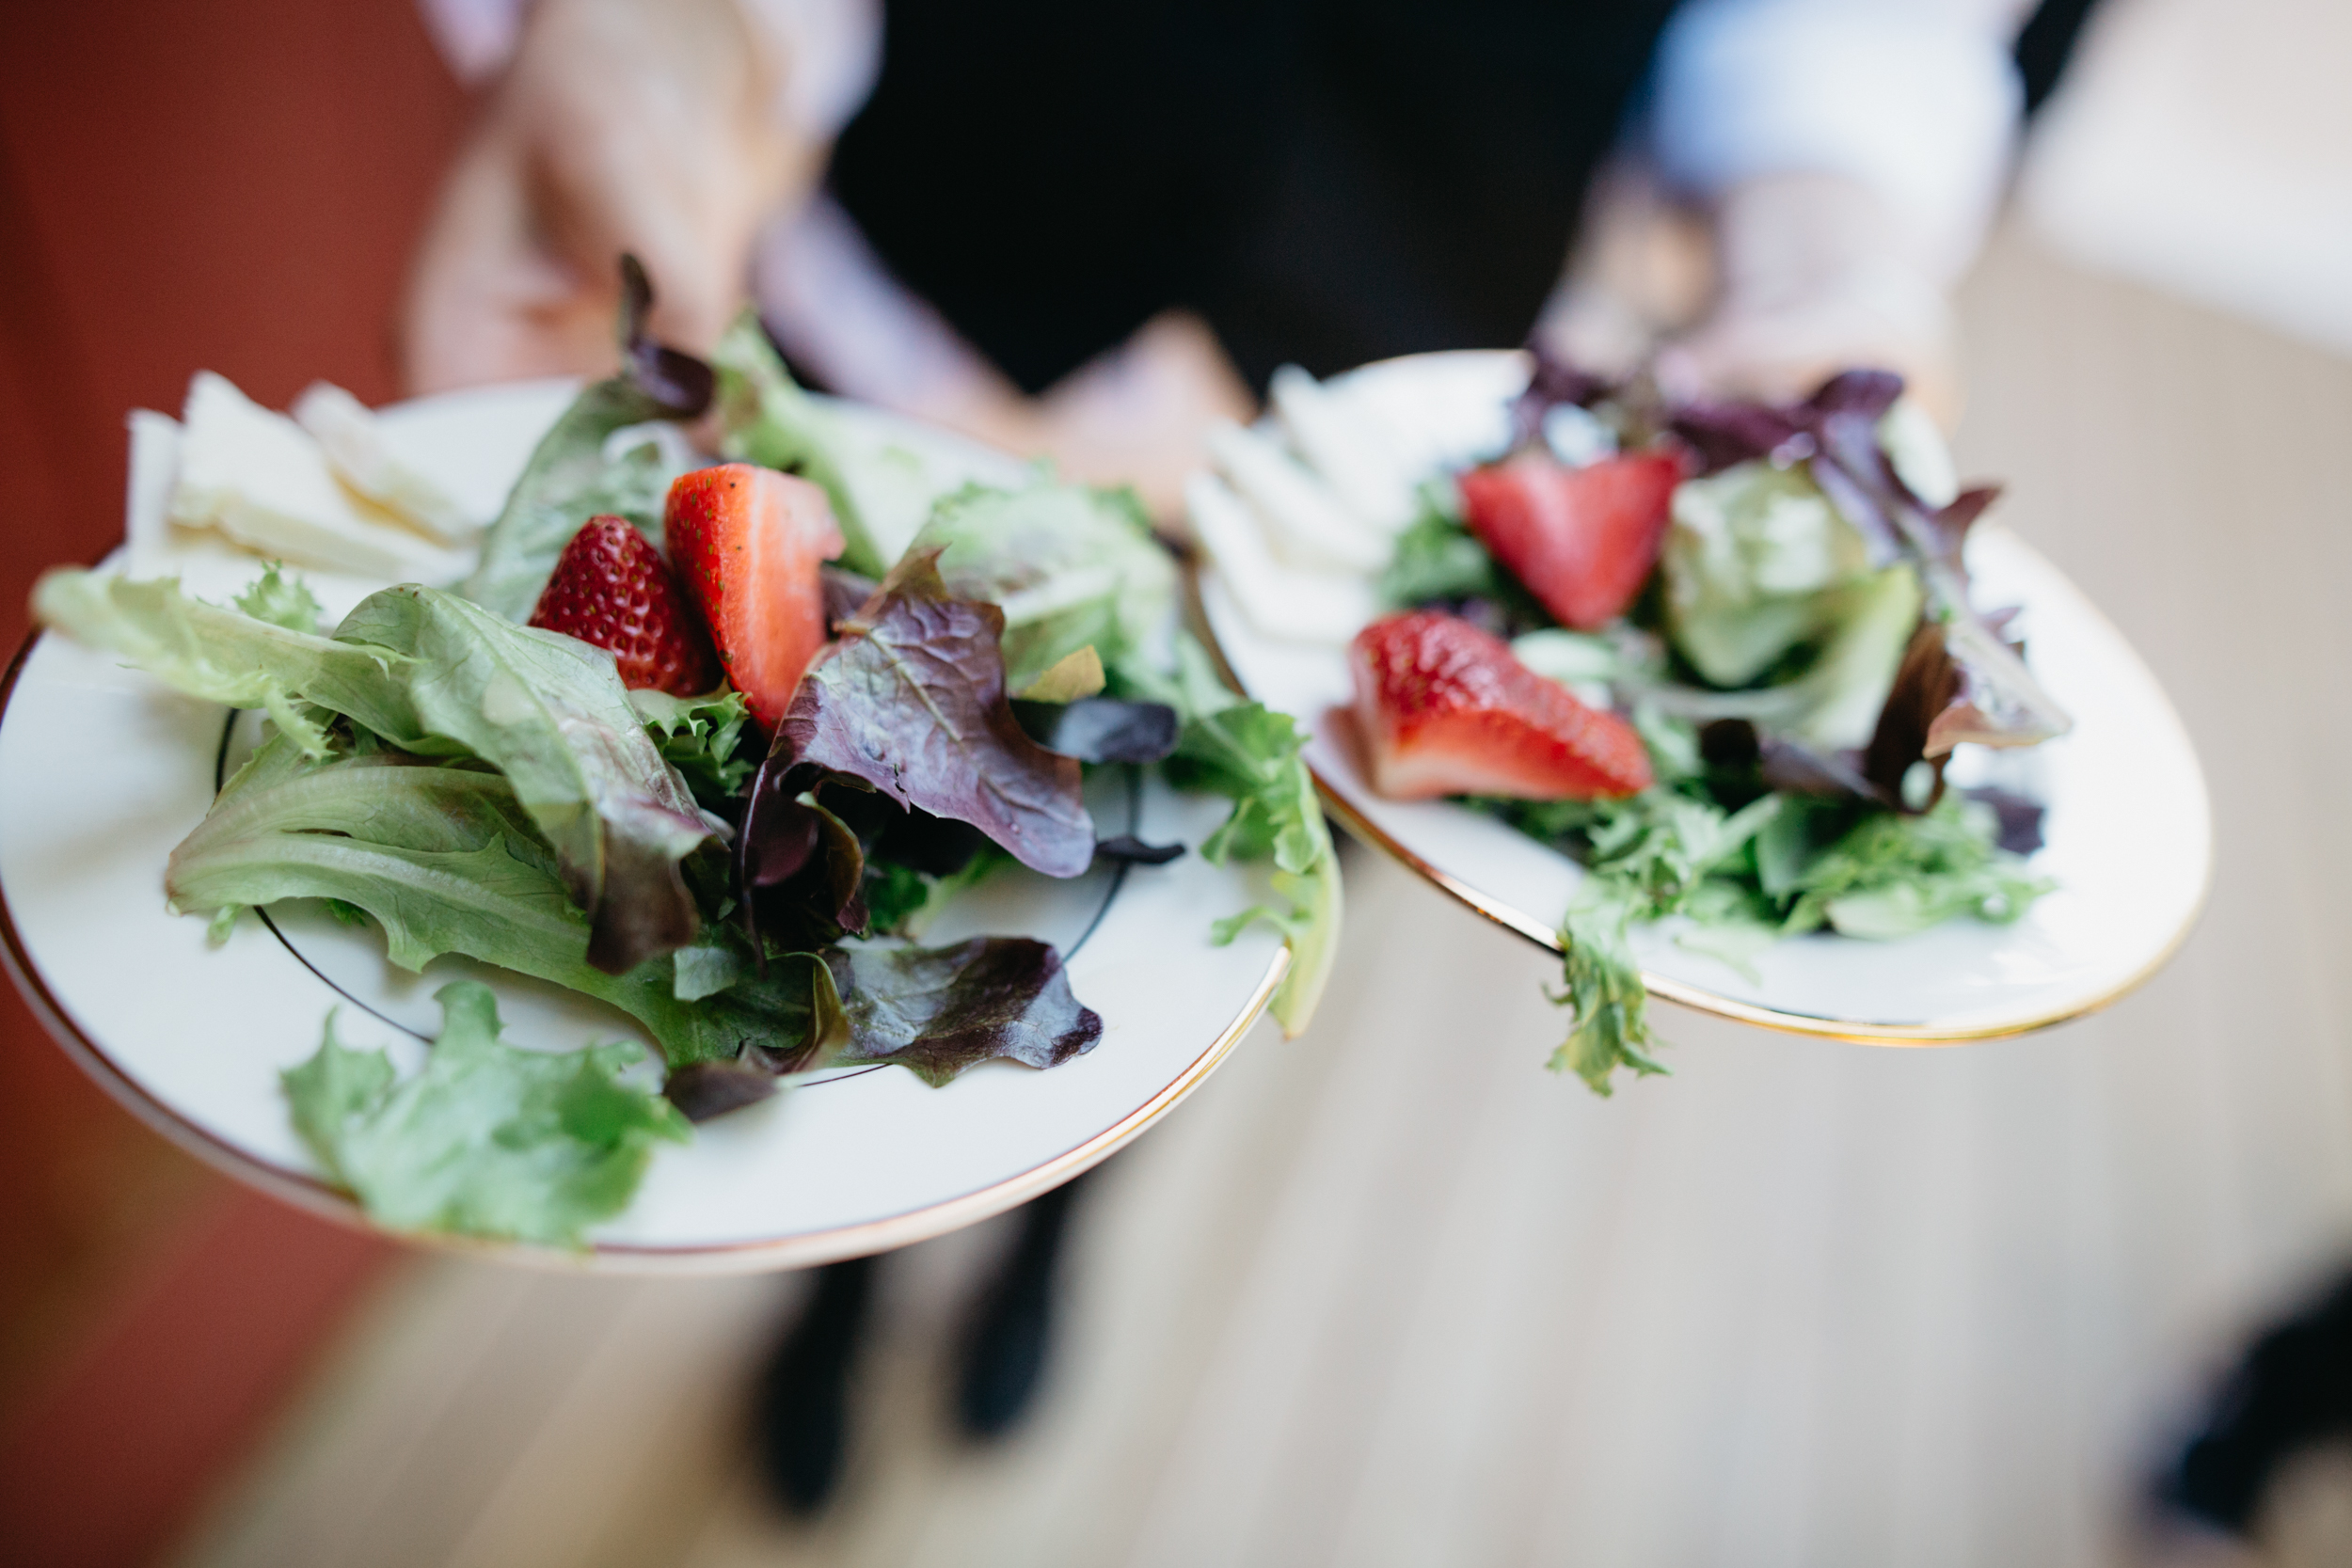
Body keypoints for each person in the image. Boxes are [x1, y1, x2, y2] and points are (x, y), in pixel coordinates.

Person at [400, 0, 2046, 1513]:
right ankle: (849, 1282)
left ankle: (1056, 1235)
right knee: (850, 892)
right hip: (913, 326)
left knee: (1213, 920)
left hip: (1337, 480)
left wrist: (1832, 235)